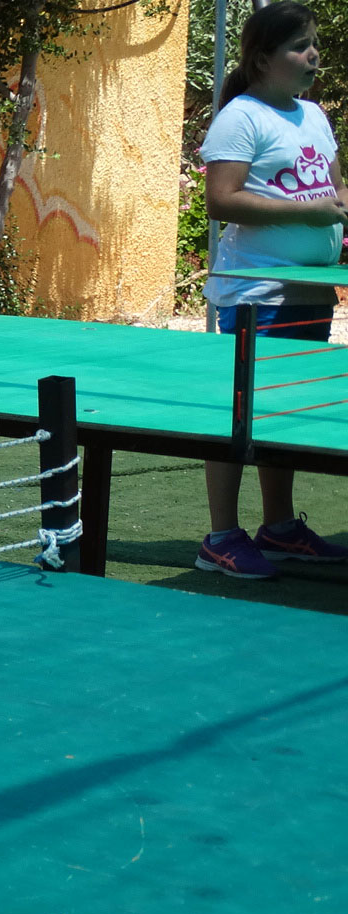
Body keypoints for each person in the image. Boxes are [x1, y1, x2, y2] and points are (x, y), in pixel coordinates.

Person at [197, 0, 348, 579]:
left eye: (315, 44)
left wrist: (339, 211)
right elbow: (221, 199)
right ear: (262, 58)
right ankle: (219, 537)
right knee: (240, 414)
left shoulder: (314, 115)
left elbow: (333, 188)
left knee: (285, 409)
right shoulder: (241, 116)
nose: (314, 55)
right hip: (255, 294)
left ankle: (279, 529)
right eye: (300, 46)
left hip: (310, 291)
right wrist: (307, 214)